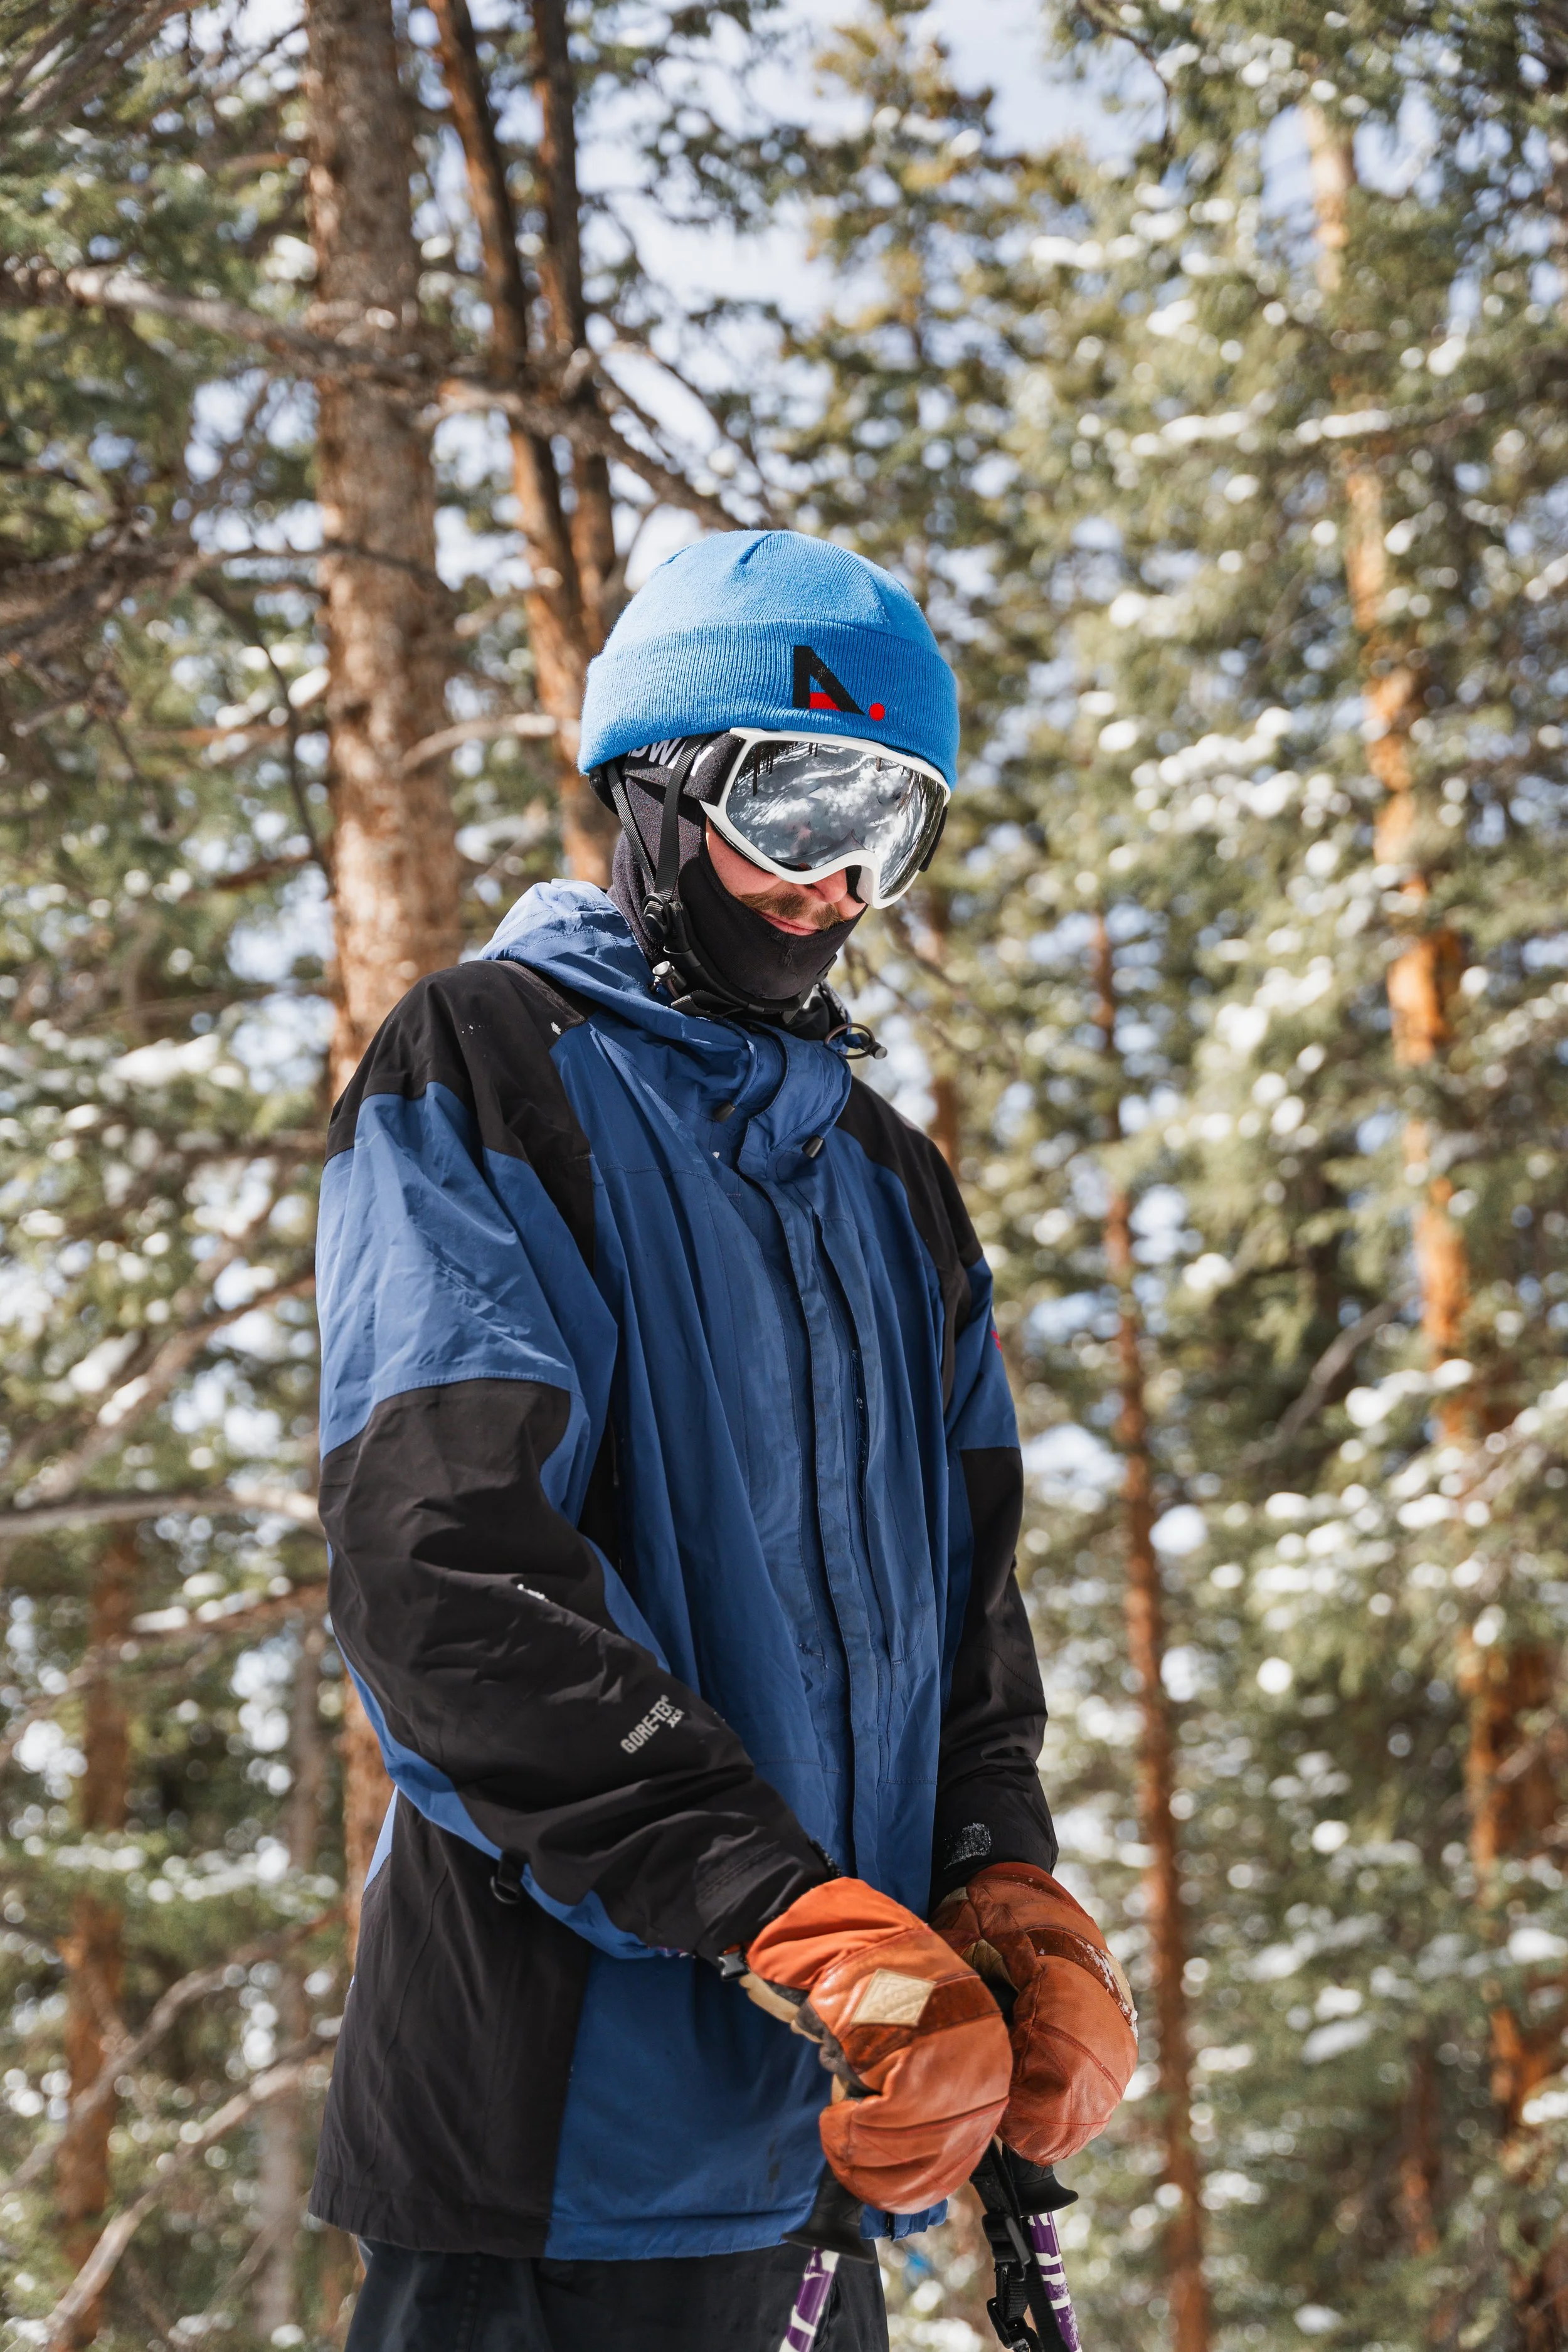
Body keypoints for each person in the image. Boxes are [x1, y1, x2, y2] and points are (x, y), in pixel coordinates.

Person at [309, 531, 1136, 2351]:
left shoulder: (890, 1183)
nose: (830, 881)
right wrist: (782, 1910)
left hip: (826, 2161)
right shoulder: (491, 1069)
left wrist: (999, 1881)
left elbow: (966, 1615)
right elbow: (444, 1567)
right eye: (795, 801)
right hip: (549, 2165)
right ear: (660, 782)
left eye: (887, 828)